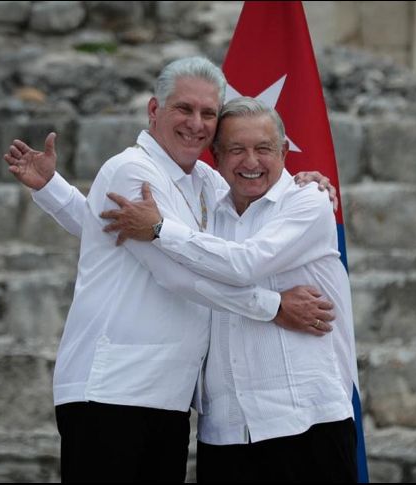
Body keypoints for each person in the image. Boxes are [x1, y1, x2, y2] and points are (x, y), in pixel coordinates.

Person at [2, 57, 336, 483]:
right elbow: (175, 274)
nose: (196, 123)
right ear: (154, 110)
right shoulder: (131, 171)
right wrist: (274, 307)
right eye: (184, 108)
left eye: (208, 113)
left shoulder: (205, 182)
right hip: (111, 391)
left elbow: (100, 226)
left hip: (170, 398)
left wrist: (301, 183)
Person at [102, 97, 359, 482]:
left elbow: (244, 264)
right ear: (216, 156)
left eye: (263, 149)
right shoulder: (205, 217)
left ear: (285, 152)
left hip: (305, 422)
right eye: (237, 149)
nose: (251, 162)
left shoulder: (309, 202)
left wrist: (160, 230)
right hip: (225, 432)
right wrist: (52, 190)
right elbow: (111, 221)